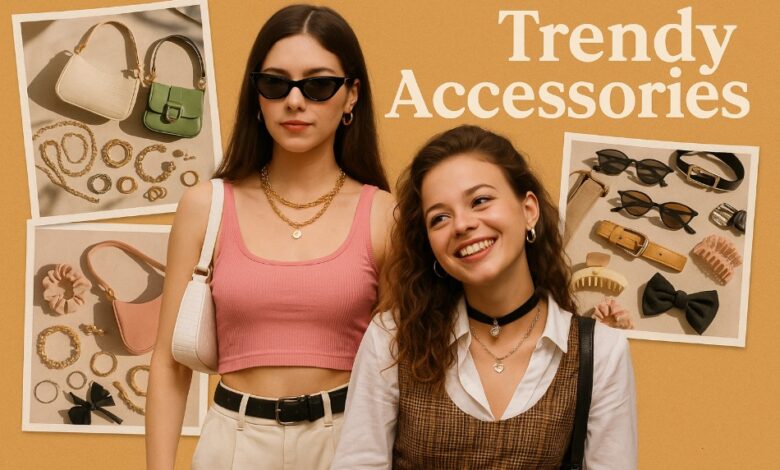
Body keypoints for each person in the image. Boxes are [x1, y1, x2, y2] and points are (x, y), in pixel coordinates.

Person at [145, 5, 394, 470]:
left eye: (318, 85)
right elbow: (168, 363)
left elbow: (402, 372)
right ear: (256, 94)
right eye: (276, 83)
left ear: (352, 95)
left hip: (348, 442)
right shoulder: (205, 206)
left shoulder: (385, 215)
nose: (295, 101)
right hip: (232, 443)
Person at [331, 125, 637, 469]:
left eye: (480, 200)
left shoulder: (602, 352)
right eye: (440, 218)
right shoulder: (392, 337)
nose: (461, 224)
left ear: (529, 210)